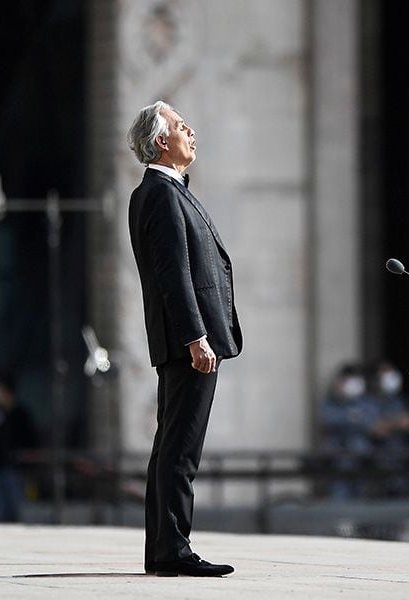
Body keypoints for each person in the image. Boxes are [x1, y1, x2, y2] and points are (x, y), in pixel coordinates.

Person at [127, 100, 242, 577]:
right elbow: (173, 274)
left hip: (183, 340)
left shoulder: (166, 190)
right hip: (189, 343)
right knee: (181, 448)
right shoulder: (160, 193)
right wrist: (197, 336)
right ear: (161, 142)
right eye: (180, 125)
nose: (190, 130)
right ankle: (174, 550)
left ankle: (162, 549)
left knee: (170, 445)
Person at [320, 364, 378, 500]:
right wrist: (351, 417)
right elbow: (327, 421)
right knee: (340, 498)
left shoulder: (366, 402)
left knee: (363, 498)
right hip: (338, 461)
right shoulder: (330, 402)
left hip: (362, 459)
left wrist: (352, 419)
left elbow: (373, 424)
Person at [0, 373, 38, 522]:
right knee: (1, 507)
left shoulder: (21, 414)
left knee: (20, 504)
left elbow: (30, 439)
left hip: (16, 467)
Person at [367, 361, 409, 495]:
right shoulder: (369, 401)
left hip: (400, 456)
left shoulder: (399, 400)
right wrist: (397, 422)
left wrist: (389, 423)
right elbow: (376, 430)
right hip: (379, 458)